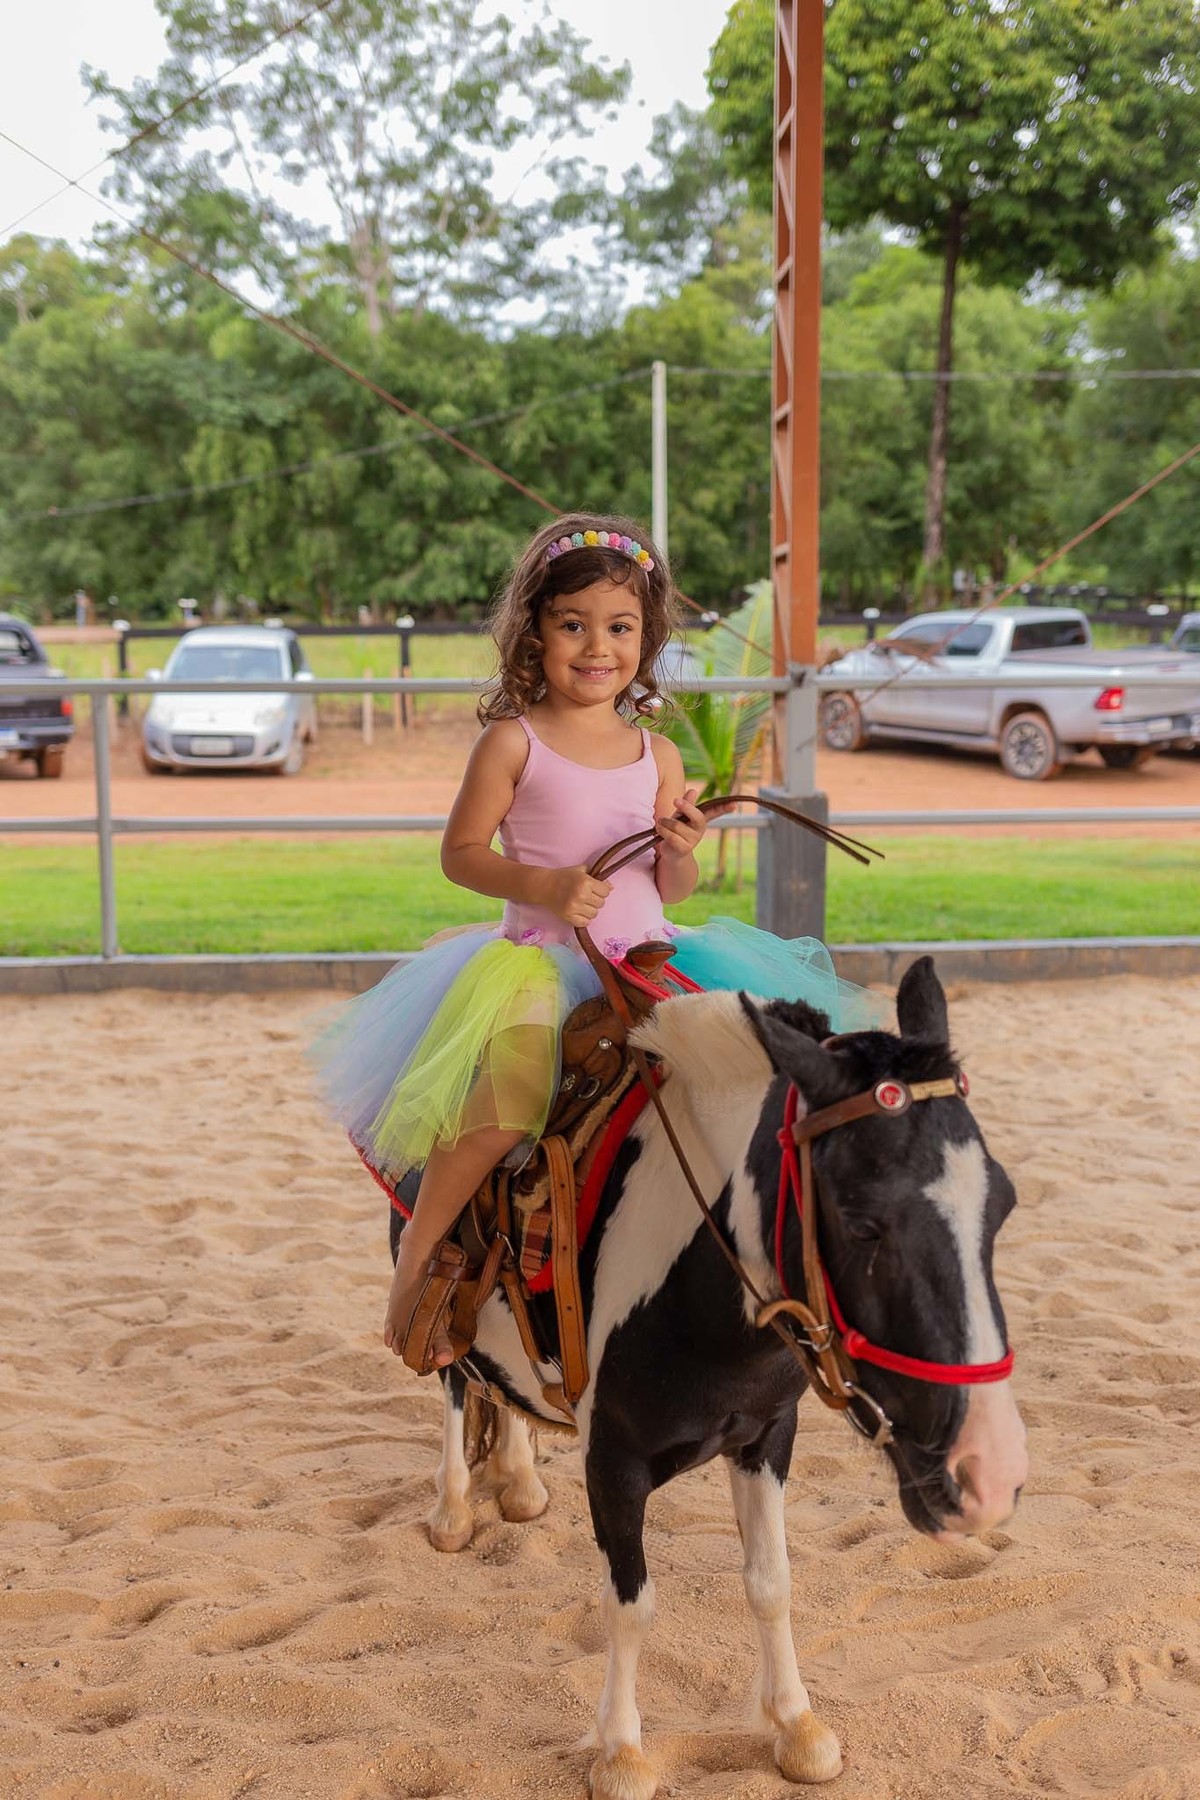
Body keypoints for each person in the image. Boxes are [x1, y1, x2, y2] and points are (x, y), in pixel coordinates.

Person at [311, 513, 881, 1372]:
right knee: (505, 1107)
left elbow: (667, 886)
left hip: (655, 955)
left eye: (619, 628)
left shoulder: (657, 753)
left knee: (757, 1086)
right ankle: (417, 1266)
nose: (595, 647)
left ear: (646, 640)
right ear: (533, 630)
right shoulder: (514, 741)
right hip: (544, 964)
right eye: (572, 624)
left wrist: (679, 853)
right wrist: (544, 884)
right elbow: (460, 855)